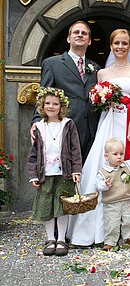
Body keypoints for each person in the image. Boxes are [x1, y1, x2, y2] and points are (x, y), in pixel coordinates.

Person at [68, 28, 130, 246]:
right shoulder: (102, 73)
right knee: (103, 162)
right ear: (111, 46)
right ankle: (100, 230)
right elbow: (97, 101)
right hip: (109, 121)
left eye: (124, 43)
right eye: (116, 43)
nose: (120, 47)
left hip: (128, 120)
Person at [31, 20, 100, 163]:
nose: (80, 35)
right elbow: (44, 95)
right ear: (69, 38)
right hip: (63, 126)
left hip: (91, 129)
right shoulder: (52, 63)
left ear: (90, 41)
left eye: (84, 33)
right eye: (76, 32)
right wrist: (37, 121)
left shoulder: (95, 67)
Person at [27, 87, 82, 256]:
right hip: (45, 174)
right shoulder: (38, 127)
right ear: (42, 106)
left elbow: (75, 149)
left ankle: (61, 240)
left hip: (63, 173)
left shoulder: (68, 124)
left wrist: (76, 170)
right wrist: (33, 174)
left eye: (55, 104)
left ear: (61, 106)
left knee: (62, 207)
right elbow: (33, 153)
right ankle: (50, 239)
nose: (51, 106)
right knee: (47, 207)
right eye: (47, 103)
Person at [96, 138, 130, 251]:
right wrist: (104, 185)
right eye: (115, 154)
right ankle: (110, 241)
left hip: (127, 200)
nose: (119, 157)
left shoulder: (126, 166)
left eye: (121, 153)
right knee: (111, 223)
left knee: (129, 220)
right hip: (111, 203)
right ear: (106, 155)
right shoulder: (103, 171)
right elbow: (98, 185)